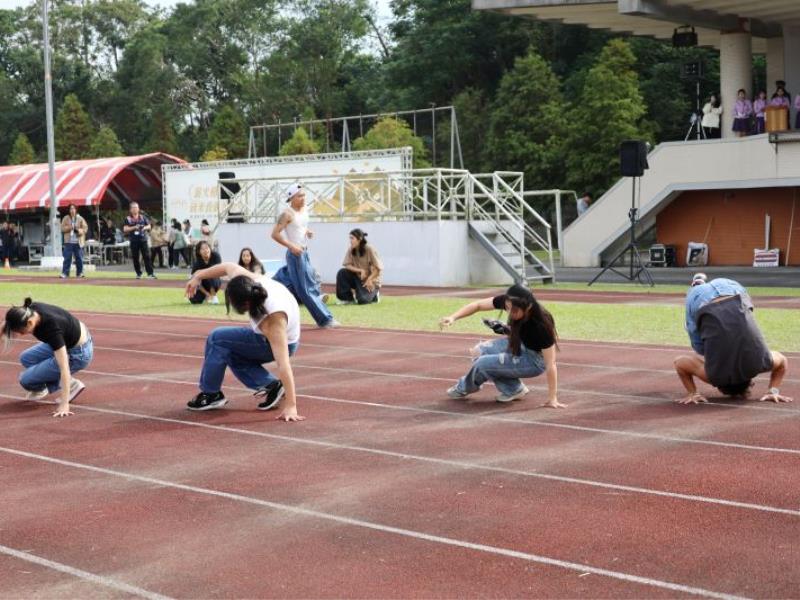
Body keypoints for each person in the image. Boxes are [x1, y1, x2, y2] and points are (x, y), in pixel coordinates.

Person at [184, 262, 304, 421]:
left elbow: (283, 364)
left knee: (217, 338)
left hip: (281, 343)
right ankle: (270, 385)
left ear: (245, 304)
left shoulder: (272, 320)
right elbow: (227, 267)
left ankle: (211, 394)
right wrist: (198, 275)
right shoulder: (248, 282)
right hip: (273, 337)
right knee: (230, 350)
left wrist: (291, 406)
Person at [673, 274, 792, 405]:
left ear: (750, 382)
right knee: (700, 348)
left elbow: (782, 361)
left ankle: (700, 286)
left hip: (734, 290)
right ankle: (697, 286)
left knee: (741, 321)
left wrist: (773, 391)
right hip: (701, 301)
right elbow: (679, 362)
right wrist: (693, 393)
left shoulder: (759, 366)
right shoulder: (713, 376)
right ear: (719, 387)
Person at [439, 284, 565, 407]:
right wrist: (453, 317)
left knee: (483, 364)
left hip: (534, 361)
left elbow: (550, 364)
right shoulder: (510, 301)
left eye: (514, 310)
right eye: (507, 308)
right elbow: (478, 305)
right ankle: (514, 389)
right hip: (520, 344)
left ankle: (464, 387)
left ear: (528, 307)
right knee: (479, 351)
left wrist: (552, 398)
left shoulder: (542, 324)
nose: (509, 313)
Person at [2, 297, 94, 417]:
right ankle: (68, 383)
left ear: (30, 323)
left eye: (22, 331)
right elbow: (6, 324)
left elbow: (64, 367)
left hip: (78, 354)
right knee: (26, 358)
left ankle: (71, 386)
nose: (20, 334)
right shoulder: (28, 311)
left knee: (26, 380)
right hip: (70, 338)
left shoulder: (52, 329)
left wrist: (64, 404)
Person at [271, 183, 337, 328]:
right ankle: (325, 319)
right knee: (305, 289)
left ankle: (274, 294)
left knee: (305, 285)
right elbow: (274, 234)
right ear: (291, 198)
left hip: (304, 252)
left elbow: (300, 226)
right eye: (299, 196)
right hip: (295, 254)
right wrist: (291, 246)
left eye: (304, 195)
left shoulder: (304, 209)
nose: (303, 198)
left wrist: (307, 232)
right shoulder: (287, 214)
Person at [335, 228, 382, 305]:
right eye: (350, 238)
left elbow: (378, 269)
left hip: (372, 281)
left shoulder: (369, 249)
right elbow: (347, 265)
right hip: (358, 278)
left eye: (352, 238)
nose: (350, 241)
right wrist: (360, 270)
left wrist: (370, 279)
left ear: (359, 239)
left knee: (363, 300)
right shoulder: (351, 249)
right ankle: (347, 299)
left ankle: (375, 295)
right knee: (342, 273)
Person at [123, 202, 156, 279]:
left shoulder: (143, 217)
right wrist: (134, 227)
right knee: (135, 257)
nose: (135, 209)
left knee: (147, 256)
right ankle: (138, 273)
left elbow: (149, 226)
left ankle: (150, 274)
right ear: (130, 209)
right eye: (134, 207)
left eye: (137, 207)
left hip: (143, 239)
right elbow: (125, 229)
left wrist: (143, 228)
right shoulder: (128, 218)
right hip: (134, 240)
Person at [60, 204, 88, 279]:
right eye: (71, 209)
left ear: (76, 210)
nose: (72, 210)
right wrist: (70, 227)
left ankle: (80, 273)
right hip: (68, 242)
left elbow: (85, 228)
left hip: (78, 242)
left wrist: (79, 231)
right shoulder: (66, 218)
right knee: (67, 258)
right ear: (69, 210)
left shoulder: (80, 218)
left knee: (79, 258)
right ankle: (65, 273)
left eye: (73, 209)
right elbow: (62, 228)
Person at [189, 240, 222, 304]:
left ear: (210, 249)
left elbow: (219, 272)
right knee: (193, 299)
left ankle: (214, 296)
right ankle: (207, 297)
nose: (205, 250)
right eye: (202, 249)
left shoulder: (216, 256)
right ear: (199, 252)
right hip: (203, 284)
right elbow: (196, 281)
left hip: (215, 280)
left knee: (211, 273)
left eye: (207, 248)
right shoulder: (197, 263)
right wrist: (207, 294)